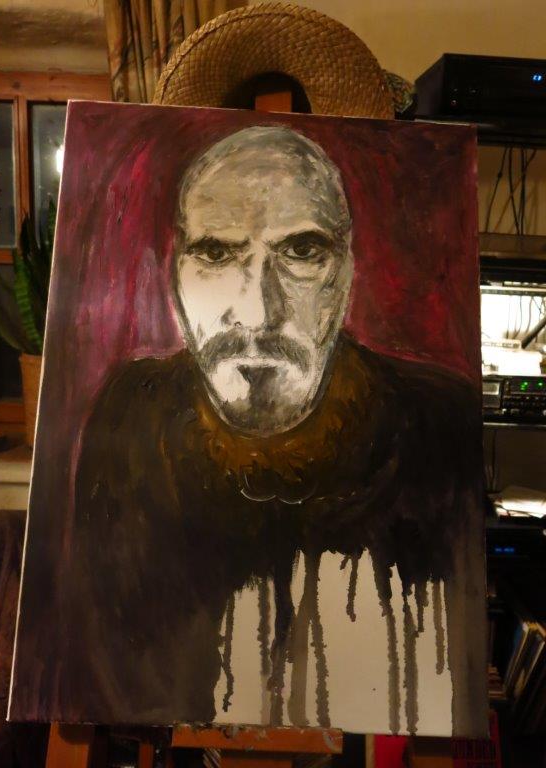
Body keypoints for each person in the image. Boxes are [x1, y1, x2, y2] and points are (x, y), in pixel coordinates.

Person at [68, 126, 486, 735]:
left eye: (301, 252)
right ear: (176, 278)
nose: (258, 313)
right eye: (216, 254)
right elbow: (109, 673)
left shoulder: (439, 425)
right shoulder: (128, 422)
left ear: (347, 275)